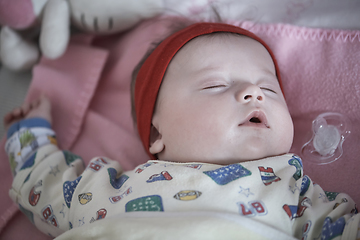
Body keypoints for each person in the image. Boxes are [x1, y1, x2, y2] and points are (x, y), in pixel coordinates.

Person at [4, 22, 360, 239]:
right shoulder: (111, 190)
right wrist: (29, 131)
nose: (253, 93)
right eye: (215, 85)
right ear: (157, 135)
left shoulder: (293, 195)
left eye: (269, 89)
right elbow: (45, 186)